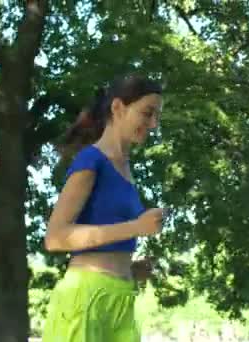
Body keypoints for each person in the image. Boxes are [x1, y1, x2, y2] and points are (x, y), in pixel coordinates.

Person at [42, 74, 164, 341]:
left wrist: (130, 268)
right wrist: (135, 228)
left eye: (157, 117)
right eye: (147, 113)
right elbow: (55, 237)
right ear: (118, 107)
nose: (153, 124)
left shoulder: (127, 170)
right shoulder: (91, 160)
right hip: (85, 298)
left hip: (121, 296)